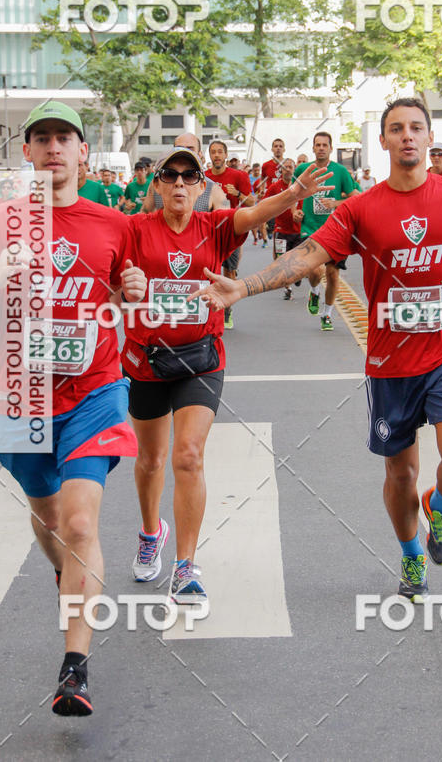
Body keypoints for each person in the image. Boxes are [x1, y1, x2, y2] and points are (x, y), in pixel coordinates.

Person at [190, 97, 442, 602]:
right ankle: (412, 554)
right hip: (390, 363)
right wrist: (242, 287)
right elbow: (310, 254)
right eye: (396, 128)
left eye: (416, 128)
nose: (407, 136)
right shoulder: (362, 209)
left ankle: (439, 506)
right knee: (400, 472)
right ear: (383, 141)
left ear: (429, 137)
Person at [0, 100, 146, 716]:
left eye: (64, 138)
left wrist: (132, 290)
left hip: (97, 391)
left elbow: (126, 288)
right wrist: (1, 274)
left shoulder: (114, 222)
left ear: (83, 151)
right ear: (25, 152)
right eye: (41, 138)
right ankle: (66, 576)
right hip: (23, 394)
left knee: (81, 524)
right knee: (50, 521)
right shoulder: (2, 220)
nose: (53, 148)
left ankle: (74, 668)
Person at [122, 147, 331, 605]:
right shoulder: (134, 229)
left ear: (201, 187)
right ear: (156, 185)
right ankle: (149, 530)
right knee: (152, 461)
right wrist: (123, 288)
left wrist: (295, 191)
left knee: (188, 456)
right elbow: (107, 271)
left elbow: (256, 211)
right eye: (170, 176)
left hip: (200, 359)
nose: (179, 184)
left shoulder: (213, 226)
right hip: (146, 360)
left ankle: (184, 567)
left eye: (188, 176)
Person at [294, 132, 360, 331]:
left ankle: (327, 314)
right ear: (313, 148)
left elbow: (356, 197)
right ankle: (314, 291)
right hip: (310, 228)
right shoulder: (303, 169)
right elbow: (291, 195)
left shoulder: (340, 171)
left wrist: (336, 202)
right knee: (315, 270)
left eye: (325, 145)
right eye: (317, 145)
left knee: (332, 274)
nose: (321, 148)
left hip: (336, 230)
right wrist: (294, 211)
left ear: (331, 148)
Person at [206, 140, 254, 329]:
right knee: (209, 270)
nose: (216, 155)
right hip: (208, 230)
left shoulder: (238, 176)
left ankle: (227, 310)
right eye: (213, 152)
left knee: (229, 271)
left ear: (226, 155)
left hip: (232, 230)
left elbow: (251, 202)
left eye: (219, 152)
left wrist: (238, 194)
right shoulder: (204, 177)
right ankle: (207, 309)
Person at [142, 133, 226, 214]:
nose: (185, 152)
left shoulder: (213, 189)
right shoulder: (158, 183)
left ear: (200, 154)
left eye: (190, 149)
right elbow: (144, 214)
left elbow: (225, 222)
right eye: (179, 148)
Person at [264, 158, 303, 299]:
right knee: (281, 260)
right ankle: (288, 288)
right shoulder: (275, 187)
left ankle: (296, 276)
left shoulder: (300, 187)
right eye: (285, 167)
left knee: (297, 259)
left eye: (290, 167)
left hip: (297, 230)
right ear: (281, 170)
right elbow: (265, 203)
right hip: (281, 230)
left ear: (294, 169)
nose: (287, 170)